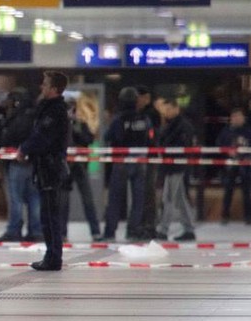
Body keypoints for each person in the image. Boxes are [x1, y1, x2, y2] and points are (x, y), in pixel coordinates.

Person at [15, 71, 70, 271]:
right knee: (48, 214)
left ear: (54, 89)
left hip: (50, 166)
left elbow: (42, 137)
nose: (42, 87)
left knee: (49, 214)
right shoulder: (50, 108)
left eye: (46, 84)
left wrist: (24, 149)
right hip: (45, 166)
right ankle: (52, 255)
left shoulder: (54, 111)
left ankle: (53, 257)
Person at [102, 86, 153, 242]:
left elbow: (108, 136)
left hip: (121, 160)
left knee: (115, 198)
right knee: (138, 198)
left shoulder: (118, 119)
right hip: (140, 160)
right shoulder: (144, 119)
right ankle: (133, 229)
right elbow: (150, 138)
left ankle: (110, 232)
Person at [0, 87, 43, 242]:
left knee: (15, 198)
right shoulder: (37, 115)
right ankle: (35, 230)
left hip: (16, 162)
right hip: (34, 162)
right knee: (34, 198)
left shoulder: (17, 117)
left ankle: (14, 230)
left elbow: (7, 136)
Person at [59, 97, 102, 242]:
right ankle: (62, 233)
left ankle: (95, 231)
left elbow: (89, 139)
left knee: (88, 199)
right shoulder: (60, 124)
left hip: (79, 165)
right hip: (65, 165)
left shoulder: (80, 123)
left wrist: (77, 130)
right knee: (63, 202)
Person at [155, 98, 197, 241]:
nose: (166, 112)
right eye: (164, 110)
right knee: (179, 199)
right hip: (170, 166)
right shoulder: (170, 125)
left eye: (168, 109)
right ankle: (189, 228)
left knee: (168, 197)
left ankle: (163, 229)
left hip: (177, 166)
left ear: (176, 108)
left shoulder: (183, 126)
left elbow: (183, 146)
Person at [216, 108, 251, 225]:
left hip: (245, 164)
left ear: (243, 118)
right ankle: (225, 216)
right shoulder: (226, 131)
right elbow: (219, 144)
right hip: (230, 163)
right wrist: (228, 151)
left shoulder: (249, 131)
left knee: (247, 190)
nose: (236, 119)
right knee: (228, 190)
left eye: (239, 116)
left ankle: (249, 216)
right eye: (234, 116)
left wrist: (248, 156)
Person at [136, 85, 162, 241]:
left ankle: (149, 225)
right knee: (141, 193)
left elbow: (152, 137)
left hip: (149, 158)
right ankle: (141, 224)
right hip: (140, 157)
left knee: (148, 193)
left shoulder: (151, 115)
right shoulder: (137, 113)